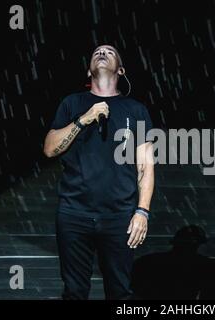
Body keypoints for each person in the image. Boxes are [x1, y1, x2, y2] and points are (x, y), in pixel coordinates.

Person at [43, 44, 154, 300]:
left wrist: (142, 211)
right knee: (74, 292)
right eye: (96, 52)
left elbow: (145, 166)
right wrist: (85, 118)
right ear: (88, 70)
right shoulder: (72, 103)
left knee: (120, 292)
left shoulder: (136, 110)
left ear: (121, 70)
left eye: (109, 52)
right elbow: (49, 149)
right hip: (74, 213)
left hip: (119, 216)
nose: (102, 53)